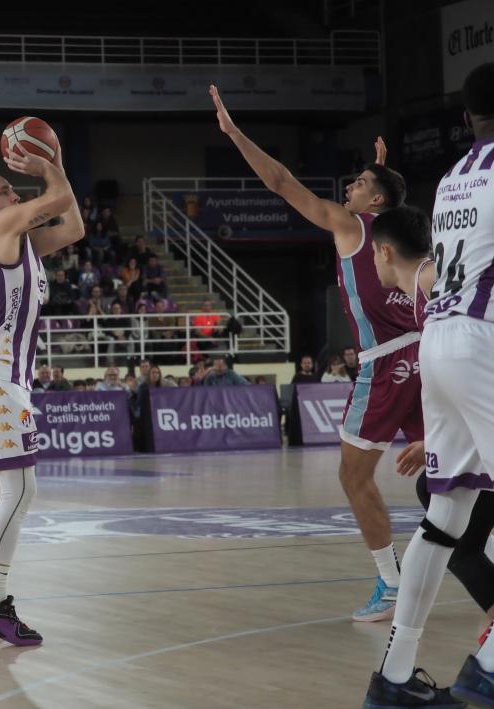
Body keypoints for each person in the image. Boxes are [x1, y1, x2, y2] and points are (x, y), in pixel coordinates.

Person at [212, 84, 420, 623]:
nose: (348, 187)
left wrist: (234, 134)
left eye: (359, 183)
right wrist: (381, 171)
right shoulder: (402, 232)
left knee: (354, 477)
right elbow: (392, 208)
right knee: (448, 475)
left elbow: (281, 182)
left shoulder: (352, 226)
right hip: (427, 354)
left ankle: (393, 584)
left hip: (386, 363)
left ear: (374, 202)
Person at [362, 65, 494, 703]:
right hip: (483, 338)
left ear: (467, 119)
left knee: (446, 516)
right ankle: (488, 666)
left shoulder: (452, 179)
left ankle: (393, 678)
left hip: (438, 339)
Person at [0, 135, 83, 646]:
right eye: (5, 189)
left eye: (13, 189)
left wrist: (57, 165)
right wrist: (50, 167)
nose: (14, 193)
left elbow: (73, 224)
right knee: (21, 491)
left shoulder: (21, 240)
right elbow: (57, 198)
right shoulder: (0, 228)